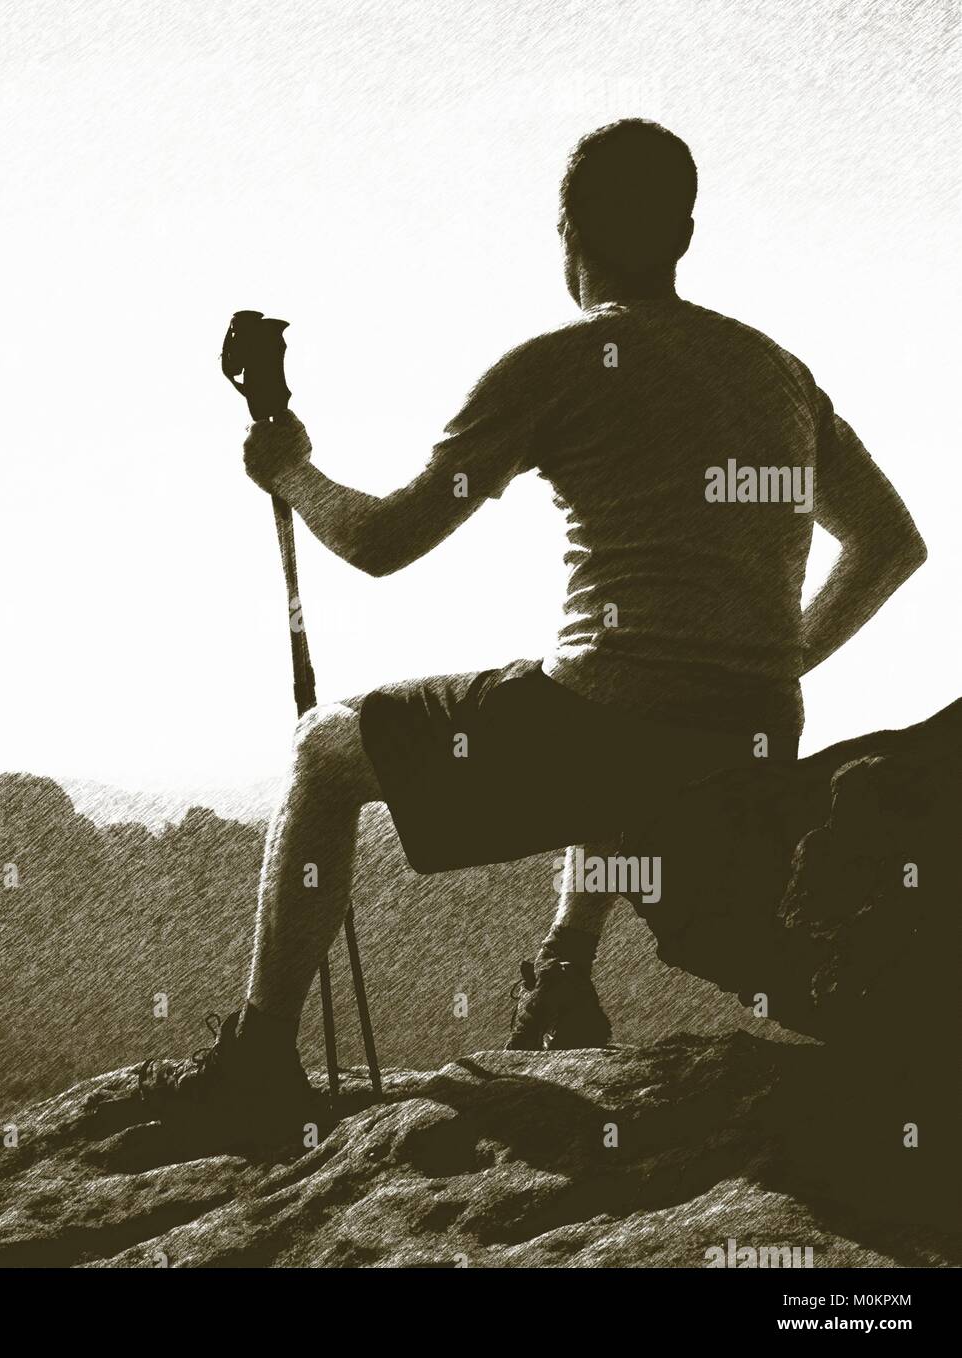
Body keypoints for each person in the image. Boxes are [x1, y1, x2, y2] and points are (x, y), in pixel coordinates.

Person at [139, 118, 927, 1138]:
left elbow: (383, 541)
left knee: (327, 750)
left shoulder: (557, 363)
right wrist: (779, 655)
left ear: (568, 234)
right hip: (749, 729)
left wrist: (287, 464)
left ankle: (257, 1060)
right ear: (684, 232)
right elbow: (887, 543)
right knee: (605, 691)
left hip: (613, 722)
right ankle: (561, 970)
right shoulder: (774, 372)